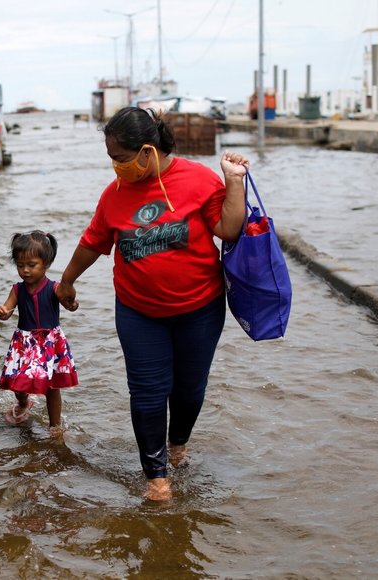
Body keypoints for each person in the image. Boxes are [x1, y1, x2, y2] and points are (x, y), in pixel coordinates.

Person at [55, 106, 250, 501]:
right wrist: (67, 281)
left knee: (189, 389)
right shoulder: (114, 196)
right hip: (138, 312)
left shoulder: (197, 179)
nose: (115, 167)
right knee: (146, 391)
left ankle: (178, 444)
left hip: (200, 309)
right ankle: (156, 477)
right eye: (111, 158)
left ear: (147, 150)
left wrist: (234, 184)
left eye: (121, 159)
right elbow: (93, 242)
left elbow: (229, 229)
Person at [0, 231, 79, 436]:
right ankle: (24, 401)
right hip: (25, 343)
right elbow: (6, 310)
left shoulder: (55, 288)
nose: (25, 270)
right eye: (20, 265)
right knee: (18, 383)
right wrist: (3, 312)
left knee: (52, 387)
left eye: (31, 265)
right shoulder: (17, 290)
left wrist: (72, 303)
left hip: (50, 343)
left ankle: (54, 426)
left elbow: (70, 305)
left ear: (46, 263)